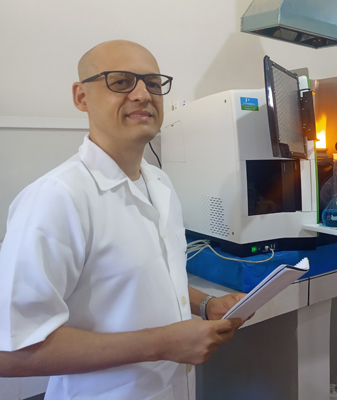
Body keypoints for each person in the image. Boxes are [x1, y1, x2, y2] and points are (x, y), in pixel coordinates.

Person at [0, 40, 246, 400]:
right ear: (81, 97)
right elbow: (12, 353)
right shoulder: (56, 199)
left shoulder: (158, 182)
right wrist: (160, 344)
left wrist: (205, 304)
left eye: (152, 82)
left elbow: (151, 274)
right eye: (120, 82)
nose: (143, 94)